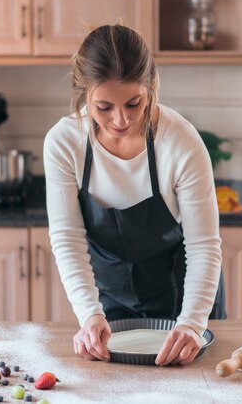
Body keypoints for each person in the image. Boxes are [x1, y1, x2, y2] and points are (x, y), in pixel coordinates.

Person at [43, 24, 224, 366]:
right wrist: (89, 316)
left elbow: (203, 245)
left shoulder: (180, 142)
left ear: (151, 86)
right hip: (108, 302)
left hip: (184, 299)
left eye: (133, 103)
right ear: (83, 94)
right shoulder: (64, 143)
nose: (121, 119)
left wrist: (192, 323)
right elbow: (67, 239)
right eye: (104, 107)